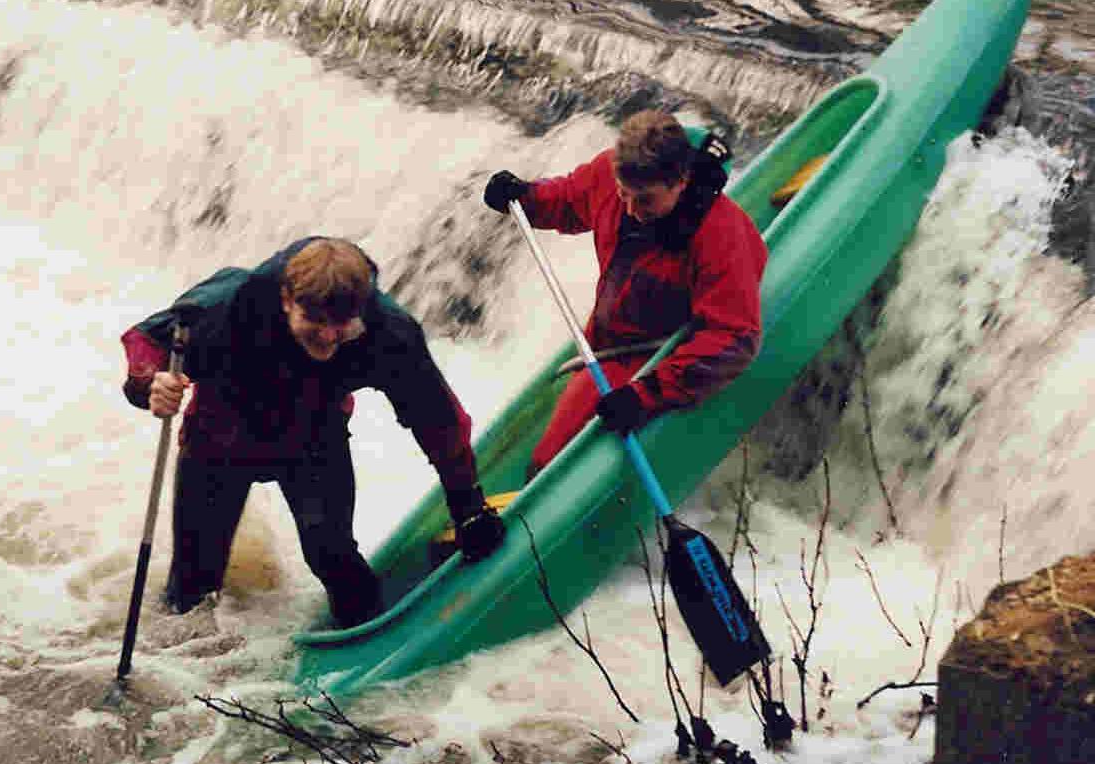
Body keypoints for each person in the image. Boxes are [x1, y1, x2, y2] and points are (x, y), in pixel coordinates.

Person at [120, 236, 506, 628]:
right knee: (192, 586)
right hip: (218, 440)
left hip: (313, 441)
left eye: (342, 325)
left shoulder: (388, 333)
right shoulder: (224, 306)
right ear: (287, 299)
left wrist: (468, 507)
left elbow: (439, 423)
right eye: (315, 321)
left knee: (332, 555)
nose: (327, 336)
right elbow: (144, 341)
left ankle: (363, 635)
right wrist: (150, 384)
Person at [483, 109, 767, 477]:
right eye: (623, 194)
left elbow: (735, 338)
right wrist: (525, 197)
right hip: (606, 344)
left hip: (660, 357)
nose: (630, 210)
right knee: (544, 466)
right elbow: (569, 199)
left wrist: (645, 394)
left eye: (645, 200)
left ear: (681, 182)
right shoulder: (612, 173)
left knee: (551, 467)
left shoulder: (723, 235)